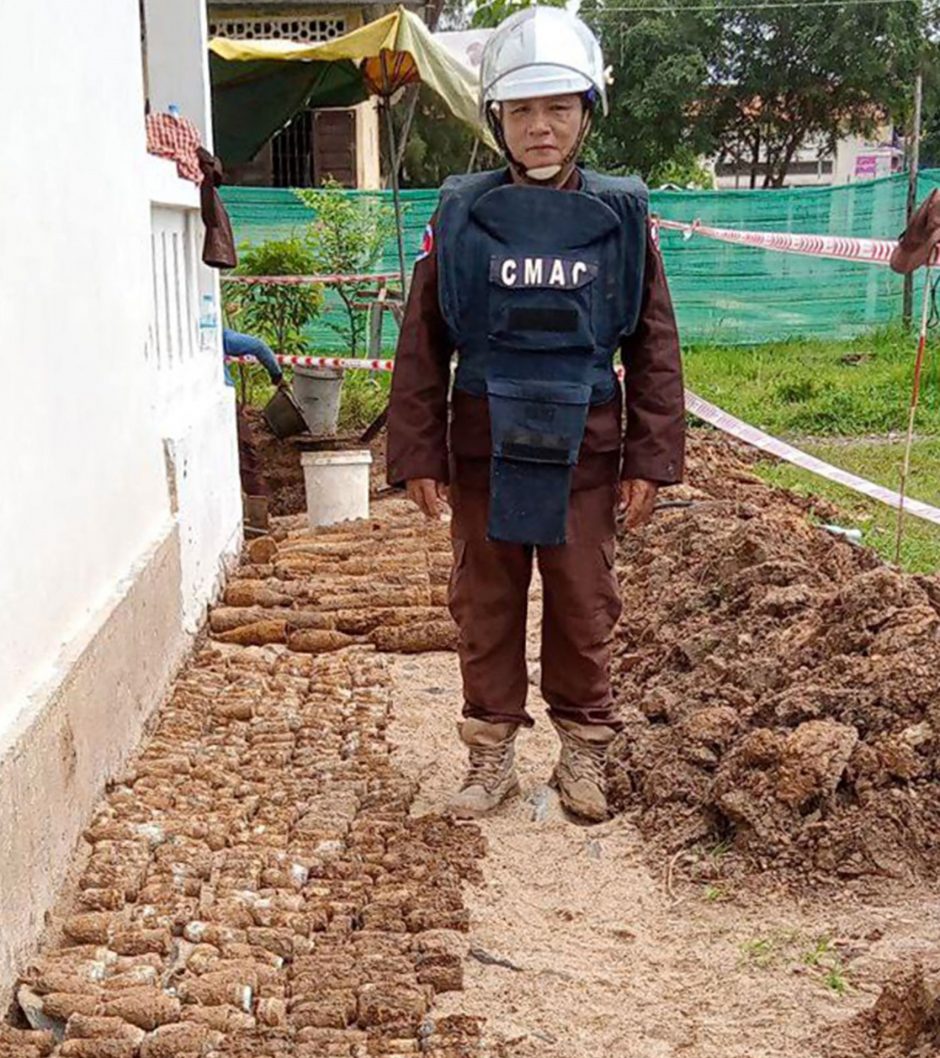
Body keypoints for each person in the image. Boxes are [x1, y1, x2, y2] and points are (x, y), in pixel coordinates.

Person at [386, 7, 686, 822]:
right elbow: (423, 343)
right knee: (483, 606)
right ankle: (490, 762)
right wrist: (416, 454)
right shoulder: (458, 218)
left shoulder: (622, 220)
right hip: (485, 450)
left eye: (558, 107)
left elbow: (654, 347)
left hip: (585, 455)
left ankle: (583, 755)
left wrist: (650, 460)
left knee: (585, 606)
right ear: (497, 121)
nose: (541, 127)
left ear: (586, 113)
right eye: (522, 111)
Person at [223, 328, 285, 500]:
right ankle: (259, 505)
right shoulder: (216, 333)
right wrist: (276, 375)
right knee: (246, 454)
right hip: (223, 399)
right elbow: (258, 346)